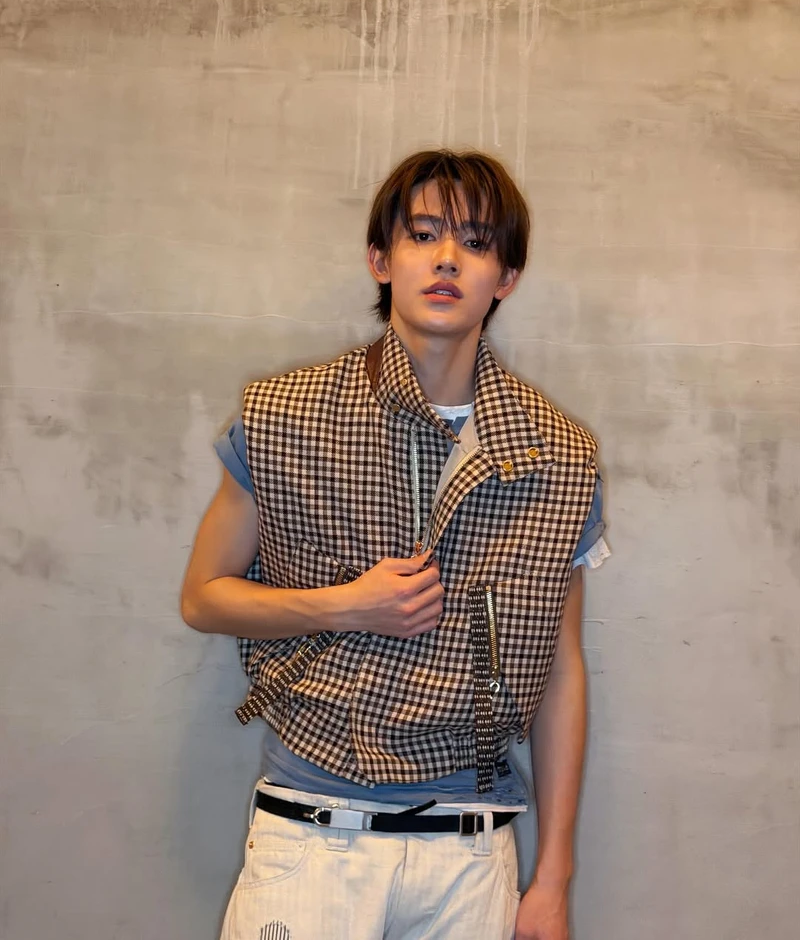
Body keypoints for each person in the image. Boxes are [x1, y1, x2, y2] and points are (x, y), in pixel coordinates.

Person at [180, 149, 609, 940]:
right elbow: (205, 598)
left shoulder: (557, 456)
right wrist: (347, 605)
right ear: (381, 259)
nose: (448, 259)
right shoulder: (288, 417)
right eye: (423, 234)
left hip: (471, 856)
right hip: (312, 836)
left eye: (476, 243)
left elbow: (560, 671)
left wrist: (554, 877)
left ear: (506, 277)